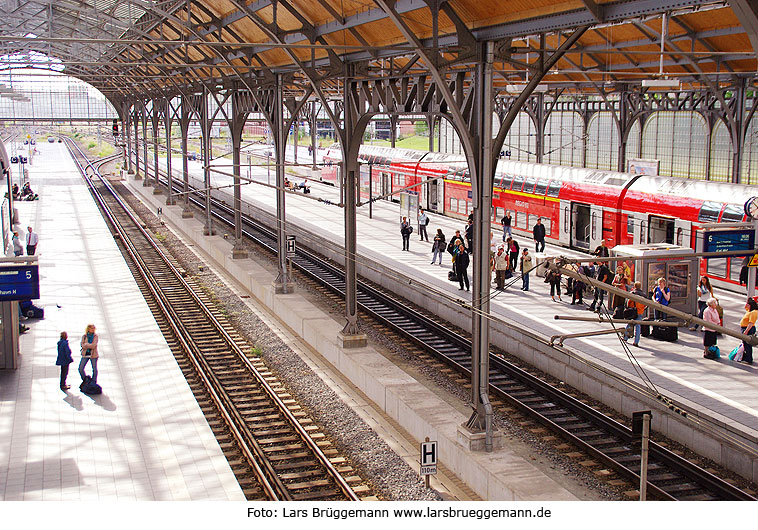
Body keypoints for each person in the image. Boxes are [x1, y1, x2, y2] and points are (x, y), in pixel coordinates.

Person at [625, 282, 646, 347]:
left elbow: (628, 303)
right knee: (638, 326)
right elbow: (646, 305)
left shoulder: (632, 293)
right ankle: (636, 341)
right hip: (640, 312)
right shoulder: (643, 294)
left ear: (634, 286)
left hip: (632, 311)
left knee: (629, 324)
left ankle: (625, 337)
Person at [738, 298, 758, 365]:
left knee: (747, 344)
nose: (746, 305)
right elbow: (745, 308)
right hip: (745, 328)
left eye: (748, 304)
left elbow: (751, 323)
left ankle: (748, 359)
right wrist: (747, 304)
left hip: (748, 329)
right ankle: (747, 357)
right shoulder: (749, 311)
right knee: (745, 344)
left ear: (751, 305)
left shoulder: (753, 312)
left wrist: (746, 331)